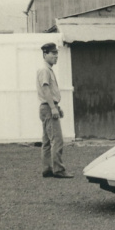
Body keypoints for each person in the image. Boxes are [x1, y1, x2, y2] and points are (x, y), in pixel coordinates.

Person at [37, 43, 73, 178]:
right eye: (53, 53)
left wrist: (56, 107)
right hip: (48, 107)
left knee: (47, 141)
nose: (56, 56)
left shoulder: (47, 69)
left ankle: (47, 169)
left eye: (56, 53)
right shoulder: (45, 70)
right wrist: (53, 107)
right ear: (45, 54)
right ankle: (58, 170)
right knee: (57, 140)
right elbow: (46, 89)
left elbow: (49, 91)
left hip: (47, 107)